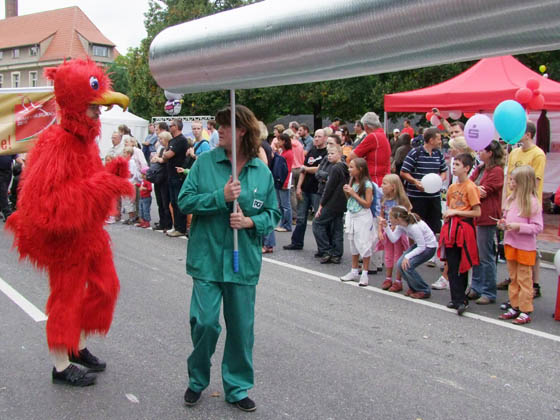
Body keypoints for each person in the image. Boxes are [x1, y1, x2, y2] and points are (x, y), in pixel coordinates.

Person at [6, 59, 133, 387]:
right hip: (66, 241)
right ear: (75, 105)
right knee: (67, 298)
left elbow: (91, 183)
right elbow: (46, 205)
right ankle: (61, 364)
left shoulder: (86, 142)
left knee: (106, 288)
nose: (99, 112)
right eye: (93, 106)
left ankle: (76, 344)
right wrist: (102, 185)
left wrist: (111, 175)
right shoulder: (56, 143)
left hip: (90, 234)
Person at [178, 104, 280, 412]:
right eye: (218, 125)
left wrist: (250, 222)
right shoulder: (204, 163)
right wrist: (219, 198)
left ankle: (237, 387)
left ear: (242, 131)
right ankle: (197, 379)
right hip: (207, 258)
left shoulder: (261, 172)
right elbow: (185, 201)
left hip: (242, 261)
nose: (218, 130)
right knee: (205, 323)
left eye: (225, 125)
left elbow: (273, 213)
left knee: (241, 329)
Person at [500, 121, 546, 297]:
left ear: (528, 134)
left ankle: (534, 283)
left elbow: (536, 181)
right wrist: (506, 201)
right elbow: (508, 178)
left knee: (529, 245)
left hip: (526, 203)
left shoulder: (538, 154)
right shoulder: (514, 153)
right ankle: (514, 281)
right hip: (513, 201)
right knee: (511, 243)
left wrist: (526, 199)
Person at [498, 166, 543, 325]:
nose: (510, 183)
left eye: (513, 180)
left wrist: (519, 227)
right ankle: (514, 305)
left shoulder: (532, 203)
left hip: (525, 247)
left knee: (524, 279)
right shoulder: (511, 199)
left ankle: (525, 309)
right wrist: (503, 223)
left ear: (522, 183)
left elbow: (537, 227)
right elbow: (506, 218)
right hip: (511, 243)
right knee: (513, 278)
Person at [439, 153, 481, 315]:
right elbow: (450, 207)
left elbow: (477, 212)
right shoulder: (452, 187)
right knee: (452, 264)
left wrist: (456, 212)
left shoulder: (471, 187)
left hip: (464, 228)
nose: (454, 167)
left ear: (467, 168)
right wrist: (448, 214)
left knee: (462, 264)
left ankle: (461, 298)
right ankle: (455, 297)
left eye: (457, 165)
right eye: (453, 164)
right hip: (451, 229)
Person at [467, 140, 505, 304]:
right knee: (475, 254)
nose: (479, 152)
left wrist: (473, 189)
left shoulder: (496, 171)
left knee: (486, 255)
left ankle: (489, 291)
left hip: (487, 216)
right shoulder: (480, 168)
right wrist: (473, 189)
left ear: (490, 153)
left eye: (482, 150)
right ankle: (476, 287)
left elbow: (484, 191)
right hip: (475, 215)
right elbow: (468, 184)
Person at [283, 129, 328, 251]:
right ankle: (296, 242)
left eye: (319, 136)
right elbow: (303, 170)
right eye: (315, 136)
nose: (316, 139)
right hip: (305, 188)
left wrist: (307, 169)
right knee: (301, 218)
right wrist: (299, 187)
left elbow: (320, 169)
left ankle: (323, 248)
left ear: (325, 138)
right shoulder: (312, 151)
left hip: (317, 190)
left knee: (318, 220)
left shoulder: (326, 153)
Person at [380, 206, 438, 299]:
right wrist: (386, 227)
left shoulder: (413, 227)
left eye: (391, 218)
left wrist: (407, 257)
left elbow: (422, 246)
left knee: (408, 265)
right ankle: (414, 287)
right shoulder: (400, 225)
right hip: (420, 245)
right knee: (400, 264)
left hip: (429, 247)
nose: (389, 219)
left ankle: (424, 290)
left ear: (398, 219)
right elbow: (393, 239)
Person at [400, 127, 447, 236]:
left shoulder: (438, 154)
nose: (440, 141)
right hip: (417, 198)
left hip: (434, 197)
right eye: (438, 139)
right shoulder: (415, 153)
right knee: (417, 227)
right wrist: (415, 182)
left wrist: (439, 180)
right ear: (431, 140)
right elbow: (404, 172)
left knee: (434, 226)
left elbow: (444, 170)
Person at [340, 158, 375, 286]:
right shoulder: (352, 181)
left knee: (364, 244)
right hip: (352, 214)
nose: (349, 169)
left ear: (360, 169)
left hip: (362, 216)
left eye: (351, 167)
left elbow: (367, 204)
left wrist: (353, 193)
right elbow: (351, 200)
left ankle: (365, 273)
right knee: (353, 244)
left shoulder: (367, 184)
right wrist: (347, 192)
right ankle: (354, 270)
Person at [313, 143, 349, 264]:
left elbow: (329, 188)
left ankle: (326, 250)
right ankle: (337, 253)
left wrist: (321, 204)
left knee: (317, 223)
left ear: (340, 154)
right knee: (337, 227)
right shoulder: (344, 167)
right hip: (341, 202)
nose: (329, 156)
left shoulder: (335, 168)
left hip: (332, 202)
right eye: (328, 154)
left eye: (332, 153)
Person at [378, 174, 412, 292]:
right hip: (387, 230)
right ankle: (388, 278)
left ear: (393, 186)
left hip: (398, 232)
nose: (382, 186)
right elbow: (381, 215)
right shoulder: (384, 199)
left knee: (398, 255)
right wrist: (380, 230)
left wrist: (397, 224)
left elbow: (408, 212)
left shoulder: (401, 200)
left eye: (384, 183)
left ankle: (398, 280)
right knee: (388, 254)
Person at [161, 118, 189, 237]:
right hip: (171, 174)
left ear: (176, 127)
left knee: (178, 202)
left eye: (171, 125)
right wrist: (165, 154)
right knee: (173, 202)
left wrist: (165, 154)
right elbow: (165, 154)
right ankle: (176, 226)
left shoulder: (181, 140)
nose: (169, 127)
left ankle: (181, 228)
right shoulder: (172, 140)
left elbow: (168, 154)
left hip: (178, 175)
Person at [349, 111, 391, 187]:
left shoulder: (373, 136)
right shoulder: (382, 134)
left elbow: (353, 156)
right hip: (384, 178)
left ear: (366, 126)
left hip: (374, 180)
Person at [151, 130, 173, 232]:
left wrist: (158, 159)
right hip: (158, 178)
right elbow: (156, 159)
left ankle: (168, 224)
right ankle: (162, 222)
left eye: (161, 139)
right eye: (159, 139)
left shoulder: (170, 149)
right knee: (160, 202)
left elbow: (164, 160)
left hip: (165, 178)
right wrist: (157, 158)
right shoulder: (162, 149)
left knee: (165, 202)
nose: (160, 141)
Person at [274, 133, 294, 232]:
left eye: (280, 140)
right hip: (280, 180)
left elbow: (288, 170)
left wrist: (285, 183)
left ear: (284, 141)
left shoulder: (289, 153)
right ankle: (283, 223)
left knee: (285, 205)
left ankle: (287, 225)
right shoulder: (283, 152)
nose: (278, 142)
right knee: (281, 205)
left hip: (284, 181)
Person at [0, 154, 23, 220]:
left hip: (8, 171)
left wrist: (23, 164)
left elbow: (15, 155)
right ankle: (8, 214)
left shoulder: (7, 148)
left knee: (3, 190)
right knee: (3, 192)